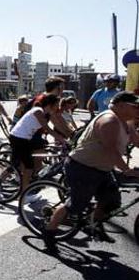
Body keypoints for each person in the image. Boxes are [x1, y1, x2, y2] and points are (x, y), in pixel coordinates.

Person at [43, 92, 139, 254]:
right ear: (121, 105)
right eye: (135, 106)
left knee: (111, 201)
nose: (138, 109)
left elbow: (137, 141)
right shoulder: (109, 120)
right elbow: (111, 150)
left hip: (102, 168)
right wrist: (127, 170)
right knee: (75, 205)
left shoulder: (126, 122)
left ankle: (93, 223)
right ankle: (49, 233)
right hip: (82, 166)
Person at [3, 94, 67, 199]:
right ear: (50, 105)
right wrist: (63, 141)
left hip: (23, 138)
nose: (58, 107)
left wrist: (62, 140)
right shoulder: (38, 111)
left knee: (18, 164)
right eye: (56, 105)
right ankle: (24, 195)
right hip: (19, 138)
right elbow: (47, 129)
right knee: (29, 167)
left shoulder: (43, 112)